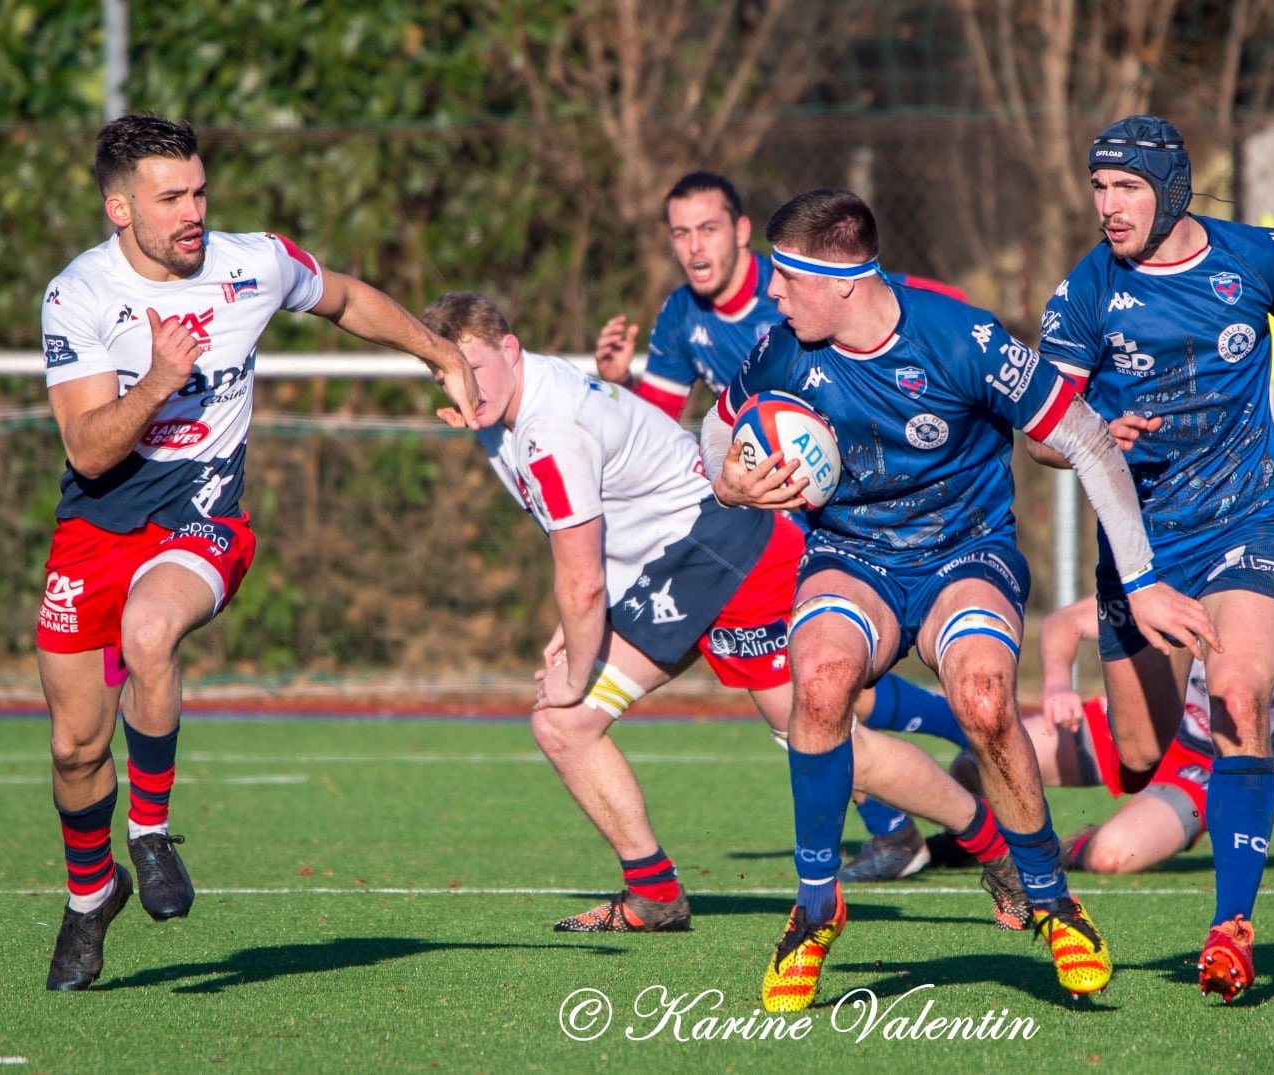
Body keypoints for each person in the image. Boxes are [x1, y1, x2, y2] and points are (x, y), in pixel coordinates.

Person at [703, 188, 1220, 1010]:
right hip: (850, 556)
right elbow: (717, 433)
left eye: (782, 278)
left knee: (982, 700)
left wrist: (1144, 577)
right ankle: (813, 908)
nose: (768, 294)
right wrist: (730, 484)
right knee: (821, 681)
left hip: (962, 555)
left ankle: (1050, 899)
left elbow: (1084, 438)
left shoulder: (961, 337)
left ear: (837, 281)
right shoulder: (779, 352)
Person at [418, 290, 1034, 937]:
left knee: (818, 740)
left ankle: (992, 846)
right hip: (672, 567)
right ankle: (653, 892)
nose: (463, 383)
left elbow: (582, 578)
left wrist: (576, 655)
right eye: (444, 372)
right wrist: (569, 633)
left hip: (727, 553)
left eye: (473, 364)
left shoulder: (547, 425)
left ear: (510, 349)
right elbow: (592, 529)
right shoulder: (506, 408)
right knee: (564, 725)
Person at [35, 114, 482, 991]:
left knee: (150, 630)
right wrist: (161, 378)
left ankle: (152, 833)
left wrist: (439, 353)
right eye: (171, 199)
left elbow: (347, 298)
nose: (194, 211)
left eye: (199, 190)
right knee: (74, 748)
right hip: (96, 527)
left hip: (203, 519)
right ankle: (92, 897)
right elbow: (88, 450)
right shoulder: (77, 294)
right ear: (118, 209)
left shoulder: (253, 263)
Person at [1033, 114, 1274, 1002]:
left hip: (1246, 519)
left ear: (1172, 189)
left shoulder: (1257, 256)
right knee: (1139, 756)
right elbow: (1039, 433)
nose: (1108, 206)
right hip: (1142, 545)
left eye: (1127, 188)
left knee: (1236, 695)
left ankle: (1230, 928)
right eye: (1099, 187)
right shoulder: (1084, 291)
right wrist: (1089, 434)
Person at [593, 171, 972, 883]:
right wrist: (621, 386)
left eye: (707, 228)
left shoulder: (800, 282)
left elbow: (906, 306)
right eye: (679, 233)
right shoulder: (681, 315)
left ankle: (944, 782)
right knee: (814, 693)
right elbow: (663, 424)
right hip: (759, 520)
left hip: (836, 517)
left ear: (740, 231)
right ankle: (907, 817)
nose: (693, 246)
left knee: (816, 693)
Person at [943, 502, 1274, 881]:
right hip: (1137, 720)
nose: (1263, 567)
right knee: (974, 766)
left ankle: (1059, 849)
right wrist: (1059, 685)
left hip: (1204, 766)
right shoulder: (1190, 582)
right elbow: (1065, 624)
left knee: (1111, 856)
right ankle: (981, 841)